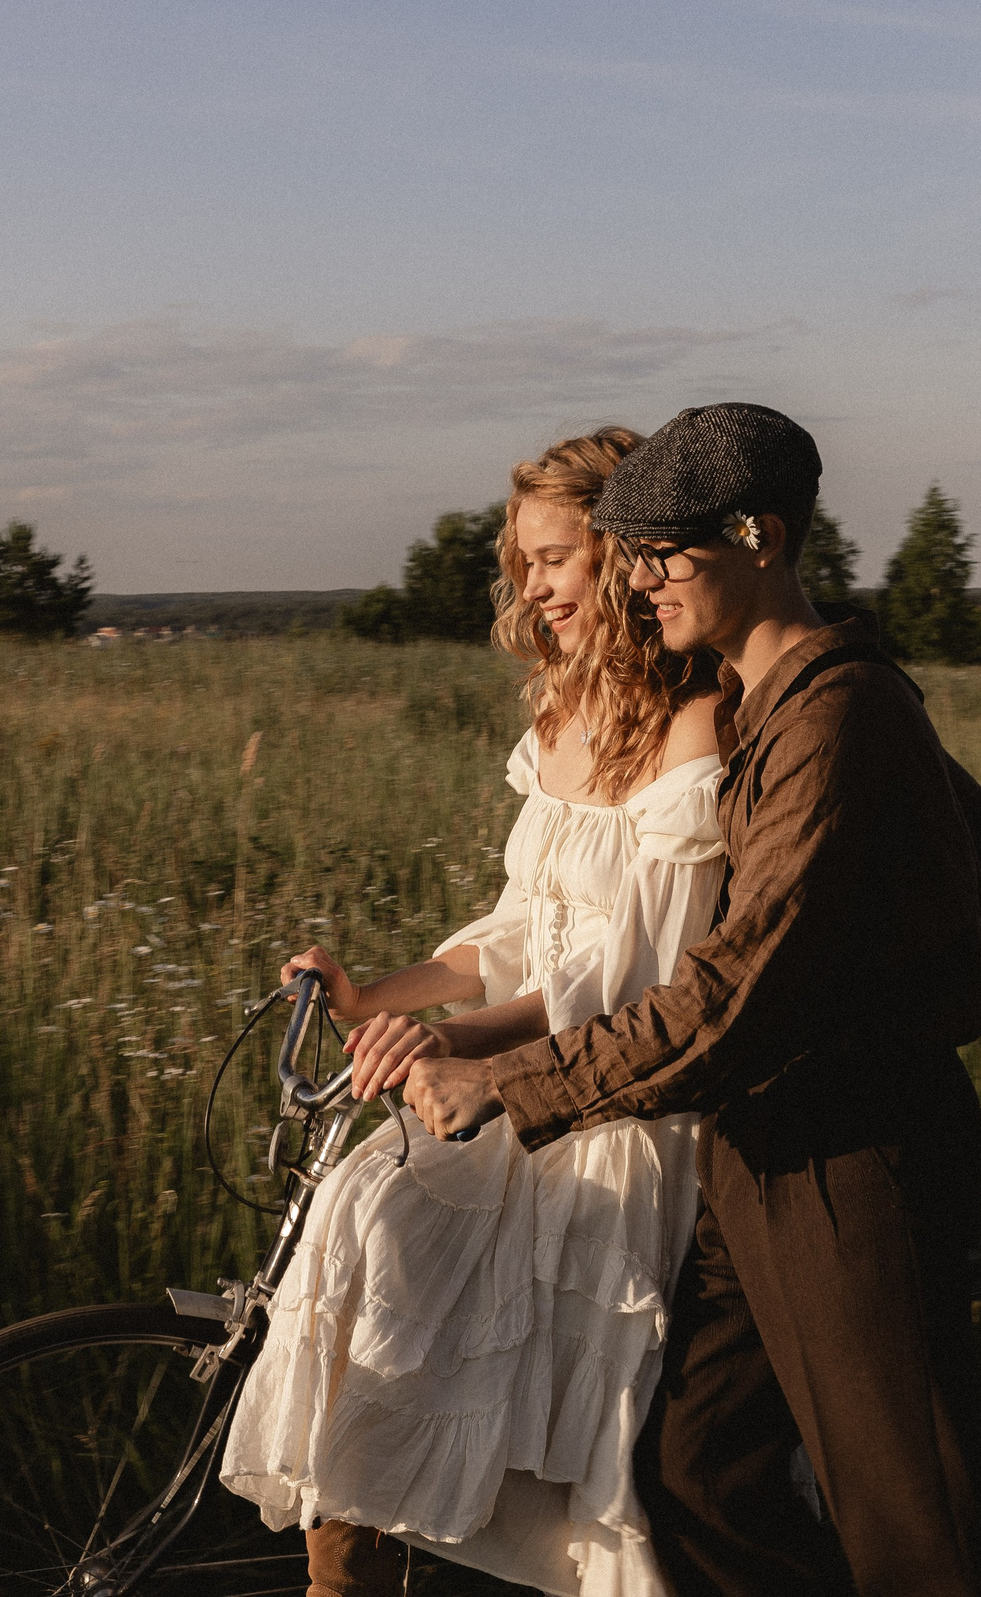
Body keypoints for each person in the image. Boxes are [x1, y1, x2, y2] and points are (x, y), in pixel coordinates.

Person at [404, 403, 981, 1597]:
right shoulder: (762, 703)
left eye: (662, 553)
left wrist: (503, 1079)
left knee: (910, 1525)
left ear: (759, 536)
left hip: (852, 1156)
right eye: (626, 553)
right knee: (693, 1478)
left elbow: (730, 998)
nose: (638, 583)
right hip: (750, 1150)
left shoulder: (840, 715)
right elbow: (974, 825)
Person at [221, 426, 737, 1597]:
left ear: (623, 558)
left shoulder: (695, 732)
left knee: (417, 1247)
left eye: (555, 558)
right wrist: (378, 993)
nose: (533, 586)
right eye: (522, 562)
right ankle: (341, 1573)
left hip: (611, 1107)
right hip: (516, 1078)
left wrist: (458, 1046)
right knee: (360, 1213)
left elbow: (630, 978)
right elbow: (523, 926)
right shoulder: (557, 724)